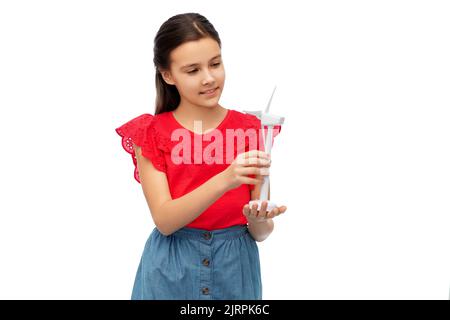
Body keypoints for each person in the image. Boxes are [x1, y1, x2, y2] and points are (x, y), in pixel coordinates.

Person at [115, 12, 286, 300]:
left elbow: (260, 232)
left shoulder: (250, 130)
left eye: (215, 64)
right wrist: (225, 179)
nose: (209, 78)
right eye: (192, 70)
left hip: (235, 271)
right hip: (170, 270)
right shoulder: (151, 132)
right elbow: (165, 220)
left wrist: (259, 218)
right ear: (168, 75)